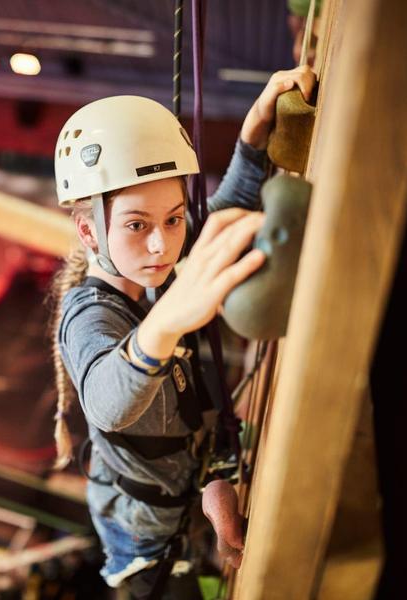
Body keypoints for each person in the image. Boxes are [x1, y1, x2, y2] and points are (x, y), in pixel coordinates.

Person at [50, 66, 315, 598]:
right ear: (87, 229)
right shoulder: (87, 316)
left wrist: (254, 135)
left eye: (172, 219)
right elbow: (106, 400)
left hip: (184, 484)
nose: (161, 246)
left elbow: (222, 215)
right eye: (136, 224)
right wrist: (170, 319)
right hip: (143, 538)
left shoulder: (152, 270)